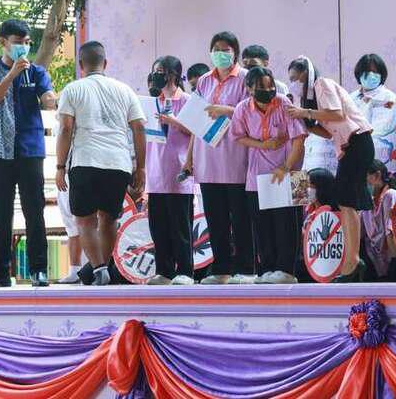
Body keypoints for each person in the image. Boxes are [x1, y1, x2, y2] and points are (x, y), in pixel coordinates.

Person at [0, 19, 56, 287]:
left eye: (27, 42)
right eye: (18, 42)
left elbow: (48, 99)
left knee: (35, 211)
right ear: (3, 42)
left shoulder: (37, 72)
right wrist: (11, 75)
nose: (24, 47)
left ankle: (38, 270)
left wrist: (54, 99)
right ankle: (0, 273)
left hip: (30, 149)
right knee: (1, 214)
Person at [55, 41, 146, 286]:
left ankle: (98, 268)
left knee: (84, 221)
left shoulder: (73, 89)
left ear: (81, 64)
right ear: (105, 63)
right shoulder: (125, 90)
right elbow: (139, 128)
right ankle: (103, 266)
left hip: (85, 161)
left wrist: (60, 167)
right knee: (109, 219)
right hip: (118, 163)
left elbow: (65, 129)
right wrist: (141, 167)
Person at [286, 56, 374, 282]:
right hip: (348, 146)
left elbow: (337, 114)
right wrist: (307, 124)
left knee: (348, 202)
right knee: (346, 202)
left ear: (307, 74)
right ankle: (352, 261)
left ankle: (352, 261)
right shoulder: (311, 99)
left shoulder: (322, 84)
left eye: (296, 78)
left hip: (357, 141)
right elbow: (328, 132)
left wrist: (305, 113)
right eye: (291, 80)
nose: (294, 83)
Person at [185, 31, 253, 285]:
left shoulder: (245, 78)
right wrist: (189, 158)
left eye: (226, 49)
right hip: (207, 158)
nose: (220, 54)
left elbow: (254, 112)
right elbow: (195, 119)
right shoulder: (204, 80)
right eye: (216, 49)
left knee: (241, 218)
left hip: (236, 157)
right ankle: (221, 268)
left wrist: (226, 110)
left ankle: (246, 268)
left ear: (235, 52)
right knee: (215, 219)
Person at [231, 67, 306, 284]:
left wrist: (286, 167)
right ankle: (267, 269)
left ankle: (287, 271)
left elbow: (299, 138)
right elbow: (237, 136)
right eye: (261, 87)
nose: (268, 90)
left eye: (270, 85)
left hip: (290, 172)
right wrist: (261, 145)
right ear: (249, 89)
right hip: (258, 175)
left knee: (288, 226)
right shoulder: (242, 108)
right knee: (262, 227)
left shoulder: (284, 102)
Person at [144, 56, 196, 286]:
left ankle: (185, 271)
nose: (157, 75)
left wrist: (174, 121)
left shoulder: (186, 100)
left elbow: (197, 131)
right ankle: (164, 271)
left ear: (173, 74)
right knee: (159, 226)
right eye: (155, 71)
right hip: (156, 172)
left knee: (180, 226)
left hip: (178, 170)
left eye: (161, 71)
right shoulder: (152, 102)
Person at [53, 118, 86, 284]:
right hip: (65, 173)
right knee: (71, 226)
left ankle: (94, 268)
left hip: (83, 170)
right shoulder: (59, 122)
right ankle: (75, 270)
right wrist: (60, 169)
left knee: (87, 222)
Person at [362, 161, 396, 281]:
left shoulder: (391, 195)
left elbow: (391, 234)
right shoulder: (367, 203)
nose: (361, 183)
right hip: (377, 265)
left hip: (395, 262)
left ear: (377, 175)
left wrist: (395, 266)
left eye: (364, 178)